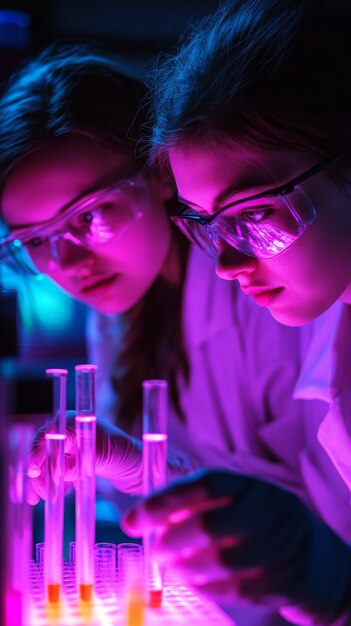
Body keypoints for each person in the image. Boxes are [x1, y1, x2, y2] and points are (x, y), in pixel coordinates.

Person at [0, 39, 349, 625]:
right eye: (36, 240)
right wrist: (137, 467)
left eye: (88, 216)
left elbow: (307, 524)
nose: (66, 260)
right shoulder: (120, 307)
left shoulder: (279, 294)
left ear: (158, 175)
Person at [120, 0, 351, 624]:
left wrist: (333, 582)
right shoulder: (333, 333)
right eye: (207, 225)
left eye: (252, 215)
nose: (224, 265)